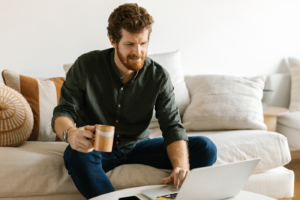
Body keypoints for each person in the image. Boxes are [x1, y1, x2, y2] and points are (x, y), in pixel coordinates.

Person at [51, 3, 217, 199]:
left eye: (143, 43)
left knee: (206, 148)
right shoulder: (86, 66)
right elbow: (64, 111)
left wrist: (181, 166)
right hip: (97, 148)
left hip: (138, 147)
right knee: (75, 154)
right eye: (130, 44)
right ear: (113, 40)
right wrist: (70, 133)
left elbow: (172, 125)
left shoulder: (158, 76)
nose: (138, 52)